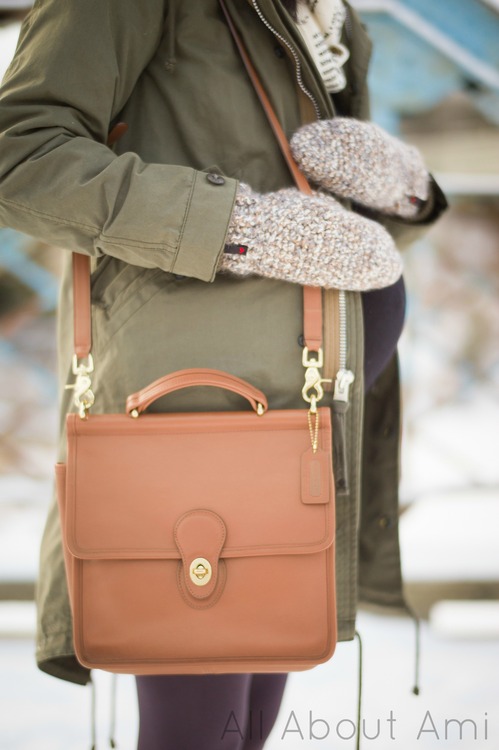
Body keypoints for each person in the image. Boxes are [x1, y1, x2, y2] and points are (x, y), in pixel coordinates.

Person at [0, 0, 446, 747]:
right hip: (195, 399)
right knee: (198, 727)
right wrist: (236, 228)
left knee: (243, 723)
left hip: (307, 389)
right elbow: (20, 158)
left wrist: (405, 192)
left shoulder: (324, 16)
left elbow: (319, 224)